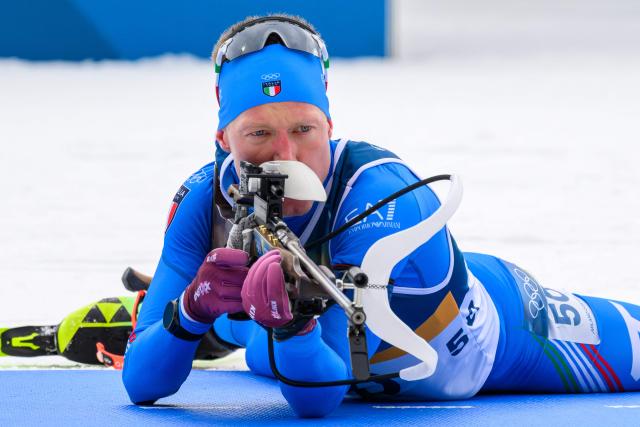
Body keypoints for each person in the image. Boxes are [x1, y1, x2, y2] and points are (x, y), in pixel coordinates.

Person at [122, 14, 640, 418]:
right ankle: (223, 322)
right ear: (222, 141)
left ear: (330, 123)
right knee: (259, 339)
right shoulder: (202, 198)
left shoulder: (378, 195)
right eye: (259, 134)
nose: (288, 154)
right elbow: (142, 387)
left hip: (493, 339)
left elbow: (317, 399)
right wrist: (188, 309)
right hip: (314, 358)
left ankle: (229, 324)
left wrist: (291, 326)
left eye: (304, 130)